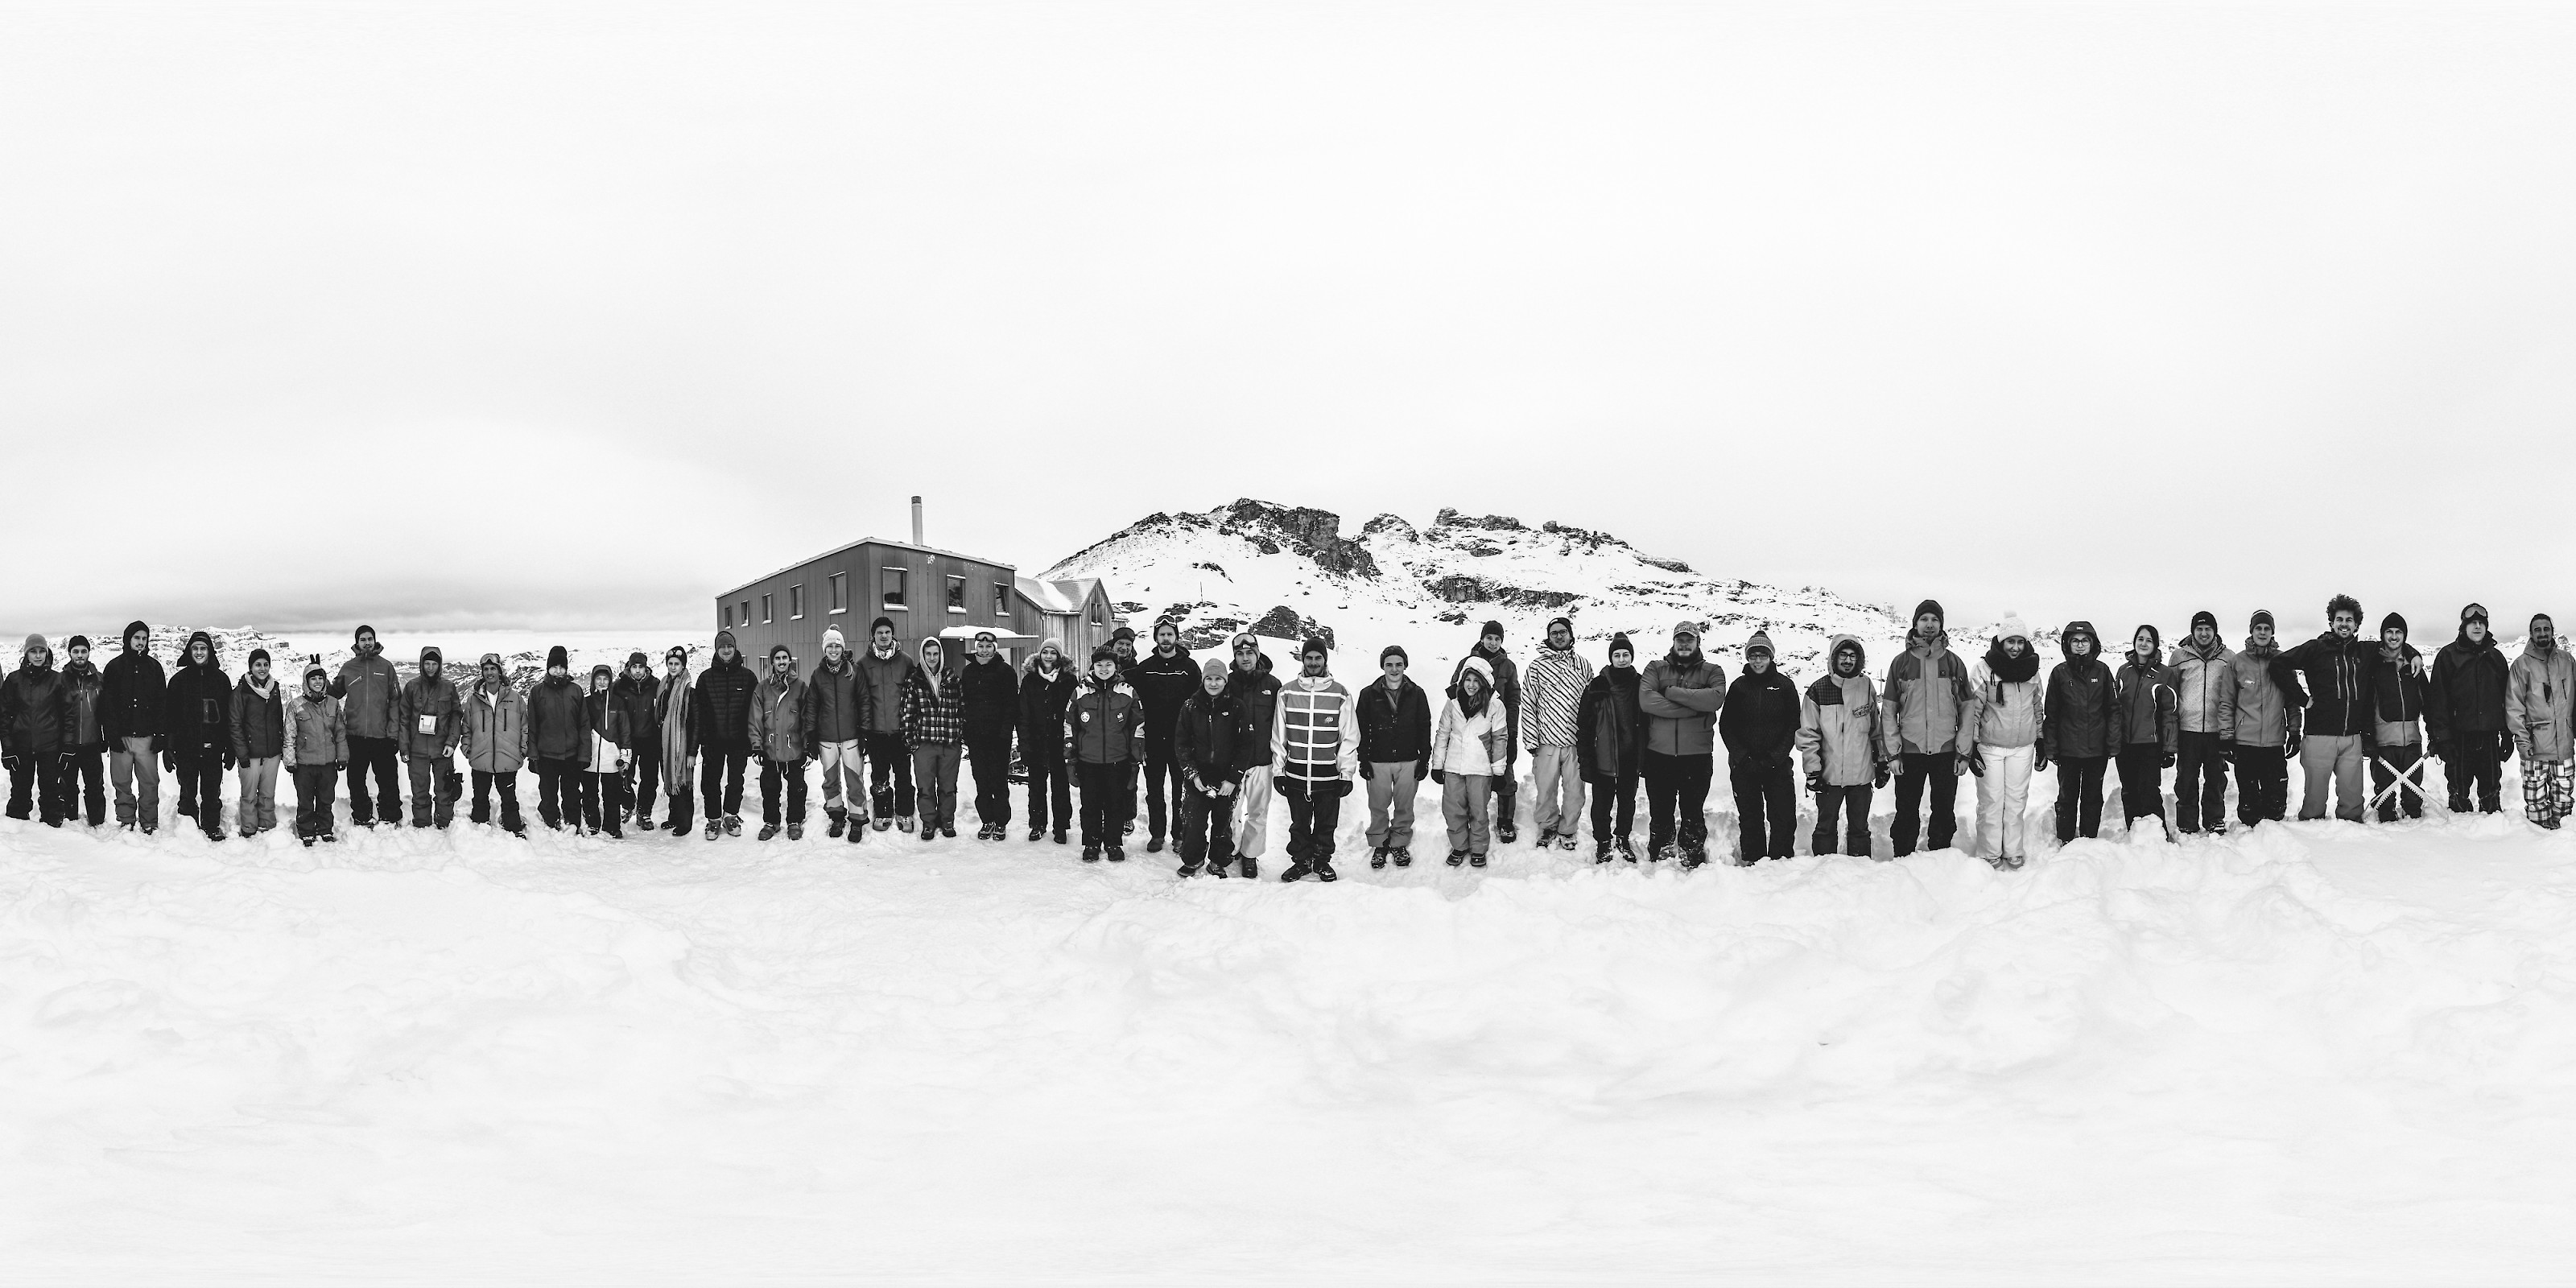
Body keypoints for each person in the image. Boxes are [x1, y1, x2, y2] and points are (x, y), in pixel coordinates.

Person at [1880, 601, 1975, 857]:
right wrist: (1892, 753)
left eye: (1935, 619)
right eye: (1924, 619)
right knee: (1906, 810)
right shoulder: (1900, 663)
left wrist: (1964, 752)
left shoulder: (1954, 663)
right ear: (1915, 624)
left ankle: (1940, 857)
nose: (1929, 624)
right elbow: (1888, 711)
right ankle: (1902, 858)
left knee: (1944, 810)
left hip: (1946, 751)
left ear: (1941, 625)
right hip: (1910, 752)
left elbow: (1967, 709)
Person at [2273, 595, 2377, 823]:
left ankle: (2359, 848)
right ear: (2331, 622)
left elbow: (2393, 646)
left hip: (2351, 738)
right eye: (2339, 619)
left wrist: (2413, 654)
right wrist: (2302, 698)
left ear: (2356, 625)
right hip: (2319, 736)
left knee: (2352, 805)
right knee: (2315, 803)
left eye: (2349, 620)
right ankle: (2315, 845)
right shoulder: (2315, 648)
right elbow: (2278, 664)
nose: (2344, 624)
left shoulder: (2363, 652)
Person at [1637, 621, 1724, 865]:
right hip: (1659, 755)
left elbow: (1715, 699)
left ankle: (1692, 850)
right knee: (1661, 809)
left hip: (1696, 757)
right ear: (1673, 642)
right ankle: (1661, 848)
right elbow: (1647, 701)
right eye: (1680, 640)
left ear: (1698, 642)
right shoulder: (1655, 668)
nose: (1684, 644)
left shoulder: (1713, 670)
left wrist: (1673, 693)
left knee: (1693, 810)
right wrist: (1692, 708)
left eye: (1689, 640)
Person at [1275, 636, 1360, 882]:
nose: (1313, 662)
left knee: (1326, 822)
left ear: (1325, 660)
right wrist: (1279, 770)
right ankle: (1301, 862)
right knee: (1299, 823)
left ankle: (1322, 861)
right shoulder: (1287, 692)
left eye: (1318, 658)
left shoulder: (1340, 694)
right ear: (1302, 659)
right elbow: (1279, 734)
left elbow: (1349, 736)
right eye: (1309, 657)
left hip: (1328, 773)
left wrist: (1346, 773)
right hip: (1296, 773)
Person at [1718, 630, 1801, 865]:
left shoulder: (1784, 686)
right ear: (1747, 657)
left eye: (1762, 655)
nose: (1757, 660)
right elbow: (1727, 726)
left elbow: (1794, 724)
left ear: (1771, 657)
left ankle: (1780, 861)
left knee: (1783, 816)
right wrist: (1742, 758)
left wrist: (1776, 756)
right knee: (1751, 817)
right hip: (1745, 767)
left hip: (1778, 765)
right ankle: (1754, 861)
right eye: (1753, 655)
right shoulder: (1739, 687)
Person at [1798, 634, 1883, 858]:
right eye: (1843, 655)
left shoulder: (1866, 687)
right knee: (1825, 827)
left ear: (1859, 660)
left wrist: (1882, 761)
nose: (1847, 660)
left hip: (1862, 775)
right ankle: (1823, 870)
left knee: (1860, 829)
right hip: (1829, 776)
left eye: (1852, 656)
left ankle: (1860, 868)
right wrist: (1813, 770)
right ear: (1834, 658)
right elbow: (1809, 735)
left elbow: (1876, 729)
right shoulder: (1818, 690)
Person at [1970, 616, 2043, 869]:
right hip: (1990, 747)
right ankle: (1989, 852)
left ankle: (2013, 849)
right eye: (2010, 641)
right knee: (1991, 800)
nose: (2015, 647)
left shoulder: (2032, 670)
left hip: (2023, 747)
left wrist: (2040, 739)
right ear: (2001, 642)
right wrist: (1971, 745)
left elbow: (2037, 707)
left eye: (2020, 642)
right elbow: (1974, 710)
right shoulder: (1983, 669)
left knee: (2016, 801)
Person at [2426, 604, 2510, 815]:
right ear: (2463, 626)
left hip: (2489, 737)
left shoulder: (2496, 658)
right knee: (2458, 793)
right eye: (2472, 622)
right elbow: (2437, 702)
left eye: (2481, 623)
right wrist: (2441, 738)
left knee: (2491, 795)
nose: (2477, 626)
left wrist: (2507, 735)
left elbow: (2507, 701)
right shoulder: (2448, 656)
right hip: (2458, 738)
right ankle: (2458, 840)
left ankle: (2497, 839)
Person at [1447, 621, 1524, 845]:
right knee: (1472, 777)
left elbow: (1513, 699)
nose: (1493, 642)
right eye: (1489, 638)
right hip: (1472, 730)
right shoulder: (1467, 663)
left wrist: (1511, 732)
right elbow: (1455, 691)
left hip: (1499, 728)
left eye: (1497, 639)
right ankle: (1472, 821)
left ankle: (1505, 822)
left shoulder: (1508, 666)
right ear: (1482, 639)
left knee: (1505, 775)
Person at [2040, 621, 2117, 844]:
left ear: (2093, 644)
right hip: (2068, 751)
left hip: (2097, 749)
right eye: (2075, 641)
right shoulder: (2059, 673)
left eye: (2085, 641)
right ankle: (2065, 837)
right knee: (2067, 796)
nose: (2080, 646)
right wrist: (2051, 747)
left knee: (2093, 797)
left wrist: (2112, 743)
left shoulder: (2102, 671)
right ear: (2067, 644)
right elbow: (2051, 714)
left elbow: (2113, 709)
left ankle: (2088, 837)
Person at [1065, 645, 1144, 861]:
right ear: (1093, 667)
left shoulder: (1127, 691)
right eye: (1099, 665)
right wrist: (1070, 755)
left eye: (1108, 664)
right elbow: (1069, 724)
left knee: (1115, 804)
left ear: (1116, 667)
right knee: (1090, 804)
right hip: (1088, 760)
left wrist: (1135, 756)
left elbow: (1137, 724)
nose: (1103, 668)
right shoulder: (1081, 691)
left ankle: (1114, 842)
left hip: (1117, 760)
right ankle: (1091, 843)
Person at [1356, 643, 1432, 869]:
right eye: (1389, 664)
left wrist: (1424, 759)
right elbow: (1361, 728)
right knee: (1378, 805)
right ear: (1383, 667)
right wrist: (1363, 759)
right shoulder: (1369, 694)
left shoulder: (1416, 693)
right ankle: (1380, 843)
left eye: (1399, 664)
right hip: (1378, 760)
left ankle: (1399, 842)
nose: (1394, 669)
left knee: (1404, 805)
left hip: (1408, 759)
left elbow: (1424, 726)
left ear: (1405, 666)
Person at [1521, 617, 1594, 851]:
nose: (1559, 636)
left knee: (1575, 791)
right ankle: (1548, 826)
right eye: (1554, 633)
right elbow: (1529, 703)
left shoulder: (1583, 665)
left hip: (1575, 743)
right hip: (1546, 742)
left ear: (1571, 635)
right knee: (1546, 789)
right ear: (1548, 637)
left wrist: (1590, 739)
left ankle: (1568, 829)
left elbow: (1592, 704)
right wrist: (1531, 739)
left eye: (1563, 632)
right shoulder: (1536, 667)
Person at [1430, 654, 1508, 868]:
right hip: (1454, 766)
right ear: (1462, 681)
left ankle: (1478, 848)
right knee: (1453, 809)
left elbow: (1500, 738)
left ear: (1483, 682)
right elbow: (1443, 733)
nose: (1471, 685)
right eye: (1467, 680)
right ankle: (1459, 846)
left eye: (1476, 681)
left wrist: (1498, 771)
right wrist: (1437, 765)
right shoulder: (1453, 703)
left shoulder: (1495, 706)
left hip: (1480, 769)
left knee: (1478, 810)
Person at [1126, 621, 1198, 852]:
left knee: (1181, 792)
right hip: (1153, 741)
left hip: (1182, 742)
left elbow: (1199, 703)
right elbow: (1126, 689)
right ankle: (1157, 834)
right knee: (1155, 791)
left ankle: (1179, 835)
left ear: (1176, 637)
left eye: (1170, 634)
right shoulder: (1146, 668)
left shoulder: (1189, 667)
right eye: (1162, 634)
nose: (1166, 638)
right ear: (1156, 638)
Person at [2166, 611, 2239, 836]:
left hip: (2217, 730)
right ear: (2192, 632)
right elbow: (2171, 692)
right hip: (2188, 729)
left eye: (2208, 629)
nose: (2204, 633)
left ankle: (2214, 819)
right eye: (2199, 629)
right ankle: (2187, 821)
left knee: (2216, 778)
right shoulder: (2179, 656)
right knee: (2186, 778)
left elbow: (2234, 694)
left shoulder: (2228, 657)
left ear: (2215, 631)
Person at [1576, 633, 1646, 863]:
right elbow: (1584, 725)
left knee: (1627, 802)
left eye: (1626, 654)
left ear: (1632, 657)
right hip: (1603, 756)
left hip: (1630, 755)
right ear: (1611, 658)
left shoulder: (1641, 684)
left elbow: (1649, 723)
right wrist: (1585, 759)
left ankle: (1623, 838)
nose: (1622, 659)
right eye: (1617, 655)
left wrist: (1645, 756)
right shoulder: (1598, 685)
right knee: (1602, 803)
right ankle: (1603, 841)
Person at [2231, 611, 2302, 828]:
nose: (2262, 632)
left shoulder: (2283, 662)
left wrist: (2294, 732)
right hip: (2246, 742)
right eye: (2258, 628)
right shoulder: (2237, 662)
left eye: (2267, 628)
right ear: (2251, 631)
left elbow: (2292, 700)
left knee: (2276, 803)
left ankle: (2274, 840)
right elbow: (2227, 702)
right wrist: (2226, 737)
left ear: (2273, 632)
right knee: (2249, 804)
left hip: (2274, 741)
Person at [329, 624, 404, 828]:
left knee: (388, 779)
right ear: (357, 643)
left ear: (375, 640)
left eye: (370, 639)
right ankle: (362, 815)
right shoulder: (349, 667)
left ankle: (390, 815)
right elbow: (335, 693)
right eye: (363, 640)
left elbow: (396, 701)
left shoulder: (386, 667)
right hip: (355, 734)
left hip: (382, 736)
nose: (367, 643)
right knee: (356, 780)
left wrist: (393, 734)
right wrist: (319, 677)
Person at [1171, 658, 1240, 877]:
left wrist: (1233, 778)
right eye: (1209, 678)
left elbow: (1245, 744)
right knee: (1193, 822)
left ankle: (1218, 860)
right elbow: (1181, 743)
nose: (1213, 683)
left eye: (1218, 678)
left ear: (1225, 681)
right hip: (1198, 778)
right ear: (1203, 681)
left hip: (1226, 779)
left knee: (1222, 824)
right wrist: (1192, 775)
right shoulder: (1190, 707)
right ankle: (1192, 859)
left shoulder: (1237, 706)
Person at [1221, 633, 1282, 878]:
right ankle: (1232, 847)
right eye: (1240, 653)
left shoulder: (1273, 685)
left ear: (1257, 654)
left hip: (1261, 761)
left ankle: (1250, 855)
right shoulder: (1227, 683)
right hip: (1233, 762)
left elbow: (1280, 724)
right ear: (1234, 656)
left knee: (1258, 811)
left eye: (1250, 653)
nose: (1245, 658)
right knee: (1231, 811)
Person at [2508, 613, 2575, 829]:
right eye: (2537, 630)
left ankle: (2560, 847)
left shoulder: (2567, 661)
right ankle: (2538, 847)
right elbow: (2514, 706)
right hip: (2535, 747)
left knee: (2564, 803)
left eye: (2546, 629)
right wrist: (2522, 741)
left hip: (2564, 745)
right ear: (2531, 634)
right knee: (2535, 802)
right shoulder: (2521, 665)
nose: (2543, 633)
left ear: (2552, 631)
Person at [163, 631, 232, 840]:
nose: (200, 652)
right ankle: (189, 827)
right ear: (189, 652)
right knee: (187, 791)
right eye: (195, 648)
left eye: (203, 649)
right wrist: (168, 747)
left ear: (210, 652)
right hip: (186, 748)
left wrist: (230, 747)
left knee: (212, 792)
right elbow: (170, 717)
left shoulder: (221, 680)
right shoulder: (178, 681)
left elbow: (230, 716)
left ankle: (211, 826)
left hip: (214, 747)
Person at [100, 620, 167, 832]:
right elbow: (107, 705)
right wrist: (111, 735)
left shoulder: (154, 668)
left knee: (149, 783)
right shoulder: (114, 667)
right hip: (121, 736)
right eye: (136, 638)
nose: (140, 642)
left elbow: (161, 703)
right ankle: (126, 819)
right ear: (128, 639)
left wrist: (160, 733)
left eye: (144, 638)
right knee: (122, 782)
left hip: (146, 737)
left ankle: (149, 821)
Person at [2115, 625, 2181, 841]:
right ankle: (2133, 834)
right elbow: (2116, 709)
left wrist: (2169, 748)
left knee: (2149, 791)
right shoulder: (2123, 671)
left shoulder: (2165, 674)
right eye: (2140, 639)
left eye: (2149, 640)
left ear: (2155, 645)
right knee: (2129, 790)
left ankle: (2157, 836)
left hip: (2150, 744)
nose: (2143, 643)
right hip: (2125, 744)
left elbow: (2170, 713)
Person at [694, 630, 759, 839]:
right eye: (722, 647)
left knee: (735, 781)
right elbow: (700, 712)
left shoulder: (748, 677)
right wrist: (703, 739)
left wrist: (752, 739)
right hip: (713, 742)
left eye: (729, 646)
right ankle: (713, 819)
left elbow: (754, 711)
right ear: (716, 649)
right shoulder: (705, 678)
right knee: (710, 782)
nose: (726, 650)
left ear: (735, 647)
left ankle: (731, 815)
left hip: (738, 741)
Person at [805, 627, 870, 839]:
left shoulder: (854, 671)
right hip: (827, 739)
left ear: (843, 648)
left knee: (854, 780)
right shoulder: (817, 674)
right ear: (825, 649)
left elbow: (864, 702)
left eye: (837, 646)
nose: (834, 650)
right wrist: (811, 734)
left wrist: (865, 732)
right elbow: (812, 705)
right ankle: (836, 815)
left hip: (851, 736)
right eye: (830, 646)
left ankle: (857, 818)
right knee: (830, 780)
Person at [857, 617, 919, 832]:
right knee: (879, 776)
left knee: (903, 775)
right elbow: (859, 699)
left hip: (901, 731)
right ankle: (883, 812)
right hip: (876, 733)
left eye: (887, 632)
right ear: (873, 636)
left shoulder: (906, 662)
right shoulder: (863, 664)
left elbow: (915, 697)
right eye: (879, 633)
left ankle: (904, 812)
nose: (884, 636)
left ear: (893, 635)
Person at [2368, 614, 2431, 822]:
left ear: (2404, 636)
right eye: (2389, 632)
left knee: (2413, 788)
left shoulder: (2414, 666)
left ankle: (2414, 815)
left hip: (2412, 738)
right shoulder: (2374, 666)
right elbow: (2366, 704)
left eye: (2399, 632)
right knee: (2384, 787)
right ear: (2382, 635)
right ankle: (2386, 816)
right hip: (2384, 740)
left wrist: (2436, 733)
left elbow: (2428, 702)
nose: (2394, 637)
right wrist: (2367, 737)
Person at [959, 630, 1019, 841]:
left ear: (995, 648)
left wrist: (1005, 733)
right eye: (981, 646)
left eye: (988, 647)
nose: (984, 651)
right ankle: (987, 820)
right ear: (976, 647)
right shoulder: (968, 672)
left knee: (999, 780)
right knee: (981, 780)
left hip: (998, 737)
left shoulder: (1006, 671)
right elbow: (963, 703)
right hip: (976, 737)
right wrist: (967, 730)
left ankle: (1001, 821)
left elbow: (1012, 705)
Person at [1, 634, 68, 826]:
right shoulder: (14, 680)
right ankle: (18, 832)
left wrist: (66, 746)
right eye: (33, 651)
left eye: (42, 651)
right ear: (26, 654)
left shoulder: (57, 680)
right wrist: (7, 749)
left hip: (50, 747)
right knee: (20, 791)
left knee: (50, 791)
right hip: (21, 746)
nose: (38, 656)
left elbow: (67, 715)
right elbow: (4, 716)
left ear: (47, 654)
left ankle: (53, 826)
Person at [395, 646, 464, 830]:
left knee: (444, 790)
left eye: (435, 663)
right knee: (419, 790)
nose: (431, 667)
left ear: (440, 665)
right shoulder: (412, 687)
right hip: (417, 749)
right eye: (427, 663)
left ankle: (444, 823)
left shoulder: (448, 687)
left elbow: (456, 716)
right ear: (421, 664)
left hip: (442, 748)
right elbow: (404, 719)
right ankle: (422, 823)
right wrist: (404, 747)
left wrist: (452, 742)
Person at [902, 638, 966, 839]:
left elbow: (962, 709)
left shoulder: (951, 678)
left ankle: (947, 821)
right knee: (926, 787)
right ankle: (929, 822)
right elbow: (907, 714)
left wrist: (960, 736)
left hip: (949, 743)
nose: (932, 658)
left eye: (935, 654)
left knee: (948, 787)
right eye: (928, 654)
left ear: (941, 655)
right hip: (925, 744)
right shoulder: (914, 679)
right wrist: (911, 742)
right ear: (923, 655)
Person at [283, 656, 347, 845]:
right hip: (304, 763)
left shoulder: (333, 704)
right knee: (305, 800)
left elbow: (340, 732)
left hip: (328, 763)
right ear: (306, 682)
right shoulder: (296, 705)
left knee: (326, 799)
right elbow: (289, 734)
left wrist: (342, 756)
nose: (317, 682)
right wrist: (289, 760)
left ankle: (325, 829)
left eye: (320, 678)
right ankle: (306, 830)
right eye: (313, 679)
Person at [749, 644, 810, 840]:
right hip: (770, 750)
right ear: (772, 662)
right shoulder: (763, 687)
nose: (781, 662)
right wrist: (756, 746)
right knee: (770, 788)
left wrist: (809, 747)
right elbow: (755, 718)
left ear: (789, 661)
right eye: (778, 658)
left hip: (794, 749)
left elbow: (808, 719)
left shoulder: (800, 687)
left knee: (797, 788)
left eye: (785, 658)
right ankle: (771, 822)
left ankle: (794, 821)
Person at [1018, 639, 1077, 844]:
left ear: (1059, 656)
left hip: (1059, 741)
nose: (1049, 656)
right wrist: (1024, 743)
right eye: (1046, 652)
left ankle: (1061, 826)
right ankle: (1037, 823)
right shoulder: (1030, 681)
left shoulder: (1068, 680)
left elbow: (1074, 712)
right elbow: (1023, 714)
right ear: (1039, 655)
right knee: (1036, 786)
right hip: (1036, 741)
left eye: (1053, 653)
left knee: (1060, 786)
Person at [463, 652, 527, 835]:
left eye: (493, 669)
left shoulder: (515, 698)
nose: (490, 672)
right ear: (482, 672)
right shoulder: (474, 699)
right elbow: (466, 726)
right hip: (480, 757)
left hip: (508, 757)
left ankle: (513, 825)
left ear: (500, 672)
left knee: (508, 797)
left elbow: (525, 726)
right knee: (480, 796)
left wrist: (522, 750)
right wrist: (467, 749)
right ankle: (479, 825)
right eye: (486, 669)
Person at [525, 646, 588, 832]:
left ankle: (572, 822)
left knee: (571, 793)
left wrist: (584, 755)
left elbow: (584, 724)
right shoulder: (537, 692)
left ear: (566, 669)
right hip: (547, 755)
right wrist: (533, 754)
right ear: (548, 668)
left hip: (571, 754)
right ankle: (550, 822)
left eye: (562, 667)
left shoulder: (576, 691)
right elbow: (533, 726)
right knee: (548, 793)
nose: (558, 671)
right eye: (554, 667)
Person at [229, 648, 286, 837]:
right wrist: (242, 753)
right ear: (251, 667)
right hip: (251, 754)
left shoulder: (274, 690)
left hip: (272, 753)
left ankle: (267, 826)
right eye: (258, 665)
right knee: (249, 795)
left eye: (266, 664)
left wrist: (281, 746)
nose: (262, 668)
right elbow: (235, 724)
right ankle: (249, 828)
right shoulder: (241, 692)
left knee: (268, 794)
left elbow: (279, 720)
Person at [58, 636, 108, 827]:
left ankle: (97, 822)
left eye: (83, 651)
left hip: (92, 741)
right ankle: (70, 821)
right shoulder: (61, 679)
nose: (80, 655)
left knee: (94, 786)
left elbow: (105, 710)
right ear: (69, 653)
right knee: (68, 785)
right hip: (68, 743)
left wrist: (106, 736)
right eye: (76, 651)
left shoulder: (99, 678)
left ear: (89, 653)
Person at [578, 663, 631, 837]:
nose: (602, 682)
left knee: (612, 795)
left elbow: (624, 730)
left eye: (605, 679)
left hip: (611, 755)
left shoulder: (617, 702)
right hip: (590, 755)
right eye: (598, 679)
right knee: (590, 793)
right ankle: (593, 823)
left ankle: (612, 826)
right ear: (593, 681)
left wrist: (625, 754)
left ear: (610, 681)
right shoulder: (586, 702)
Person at [611, 652, 661, 831]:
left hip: (650, 739)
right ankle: (628, 804)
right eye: (634, 667)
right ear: (629, 668)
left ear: (646, 668)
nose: (638, 671)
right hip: (628, 740)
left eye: (641, 667)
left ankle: (644, 812)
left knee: (650, 779)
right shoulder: (619, 687)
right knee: (623, 776)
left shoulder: (656, 685)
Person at [654, 647, 699, 837]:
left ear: (683, 666)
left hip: (682, 745)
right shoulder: (664, 686)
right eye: (670, 663)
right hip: (666, 744)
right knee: (670, 778)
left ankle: (685, 822)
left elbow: (696, 724)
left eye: (677, 664)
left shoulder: (689, 691)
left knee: (683, 783)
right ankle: (674, 816)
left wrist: (691, 753)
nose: (673, 667)